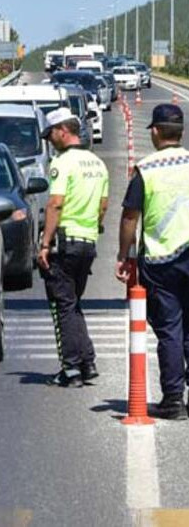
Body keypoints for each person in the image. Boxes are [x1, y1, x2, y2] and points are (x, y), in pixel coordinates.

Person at [116, 103, 189, 420]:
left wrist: (124, 255)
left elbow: (130, 217)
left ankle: (173, 400)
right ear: (181, 132)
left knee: (170, 330)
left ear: (157, 132)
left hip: (163, 261)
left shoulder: (146, 170)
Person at [38, 108, 109, 388]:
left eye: (51, 134)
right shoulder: (97, 163)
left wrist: (45, 244)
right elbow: (103, 206)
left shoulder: (62, 163)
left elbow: (55, 203)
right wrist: (90, 226)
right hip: (88, 241)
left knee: (63, 305)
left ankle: (70, 369)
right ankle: (87, 362)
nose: (50, 140)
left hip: (65, 242)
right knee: (73, 302)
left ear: (62, 131)